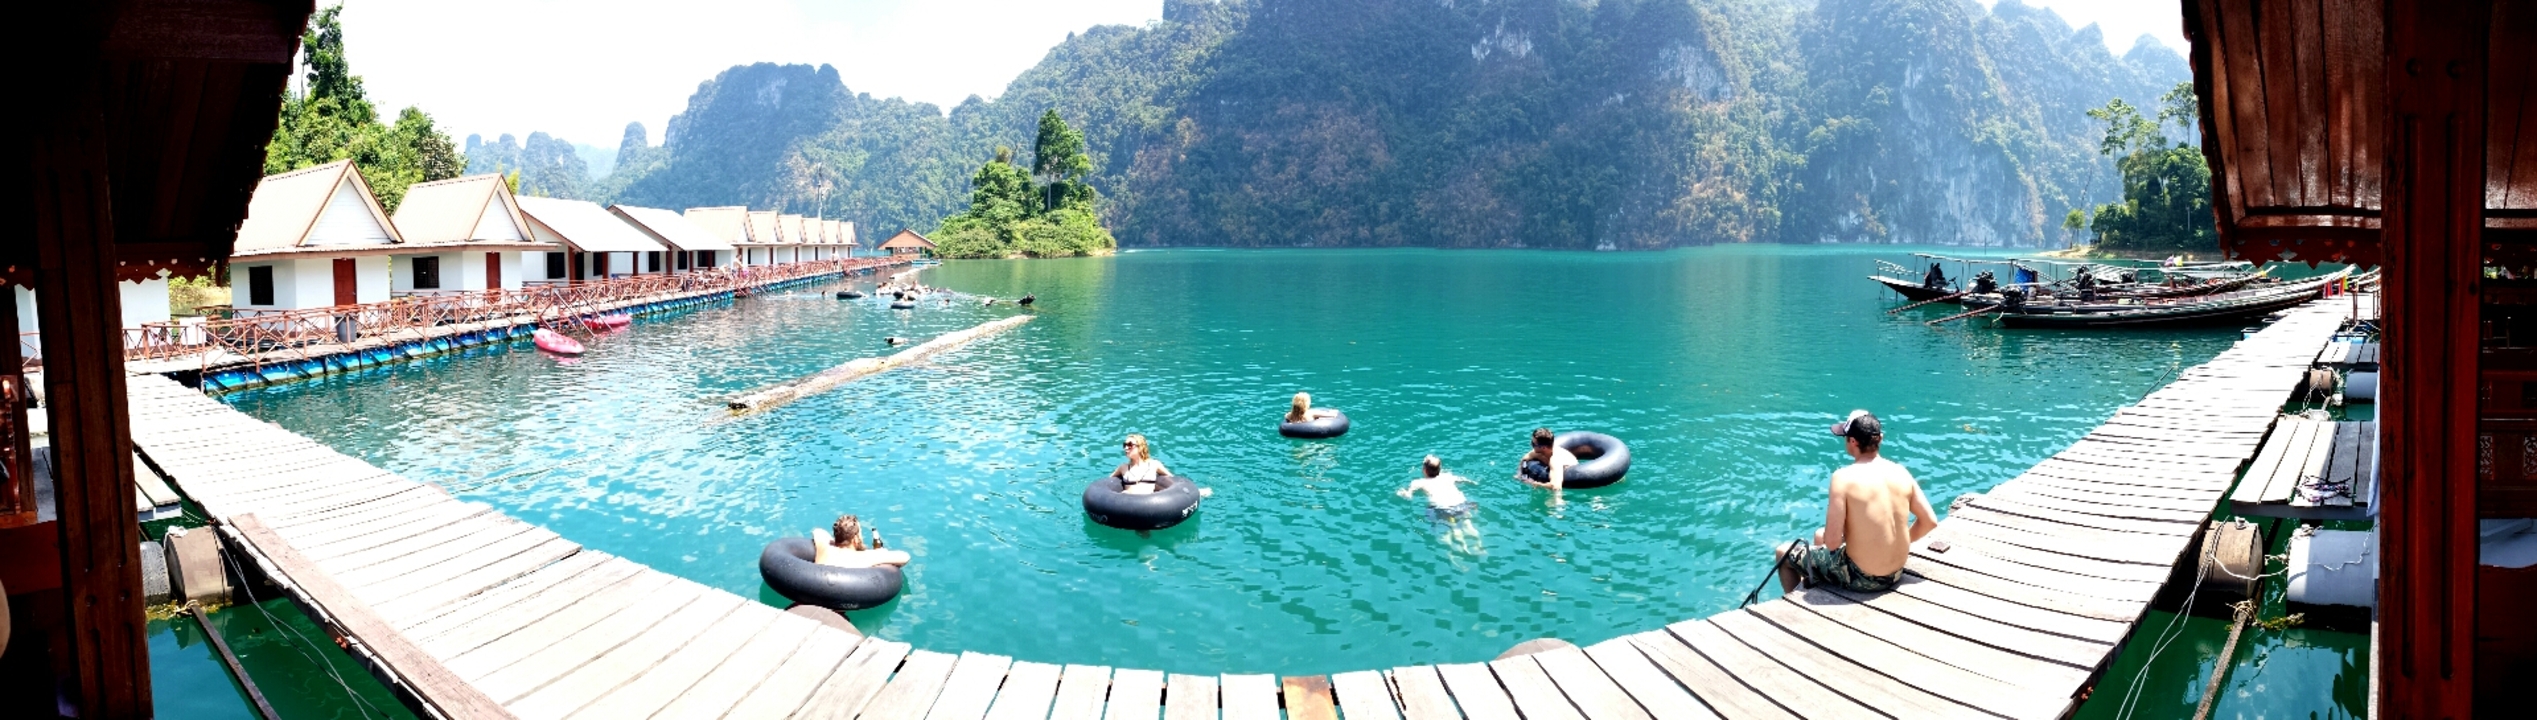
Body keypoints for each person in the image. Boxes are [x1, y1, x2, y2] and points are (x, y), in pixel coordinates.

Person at [1776, 410, 1940, 594]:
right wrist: (1893, 544)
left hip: (1863, 577)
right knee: (1819, 535)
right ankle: (1816, 585)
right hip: (1895, 572)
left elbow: (1832, 543)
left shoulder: (1843, 478)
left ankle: (1795, 605)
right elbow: (1930, 521)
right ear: (1880, 438)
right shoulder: (1900, 471)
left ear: (1853, 441)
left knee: (1783, 553)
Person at [1400, 455, 1481, 550]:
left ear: (1424, 470)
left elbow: (1409, 496)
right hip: (1461, 504)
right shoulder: (1448, 476)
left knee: (1454, 528)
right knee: (1468, 524)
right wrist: (1472, 482)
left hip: (1445, 508)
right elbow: (1463, 480)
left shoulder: (1418, 482)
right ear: (1440, 469)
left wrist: (1403, 493)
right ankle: (1479, 545)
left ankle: (1461, 548)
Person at [814, 514, 910, 569]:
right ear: (855, 539)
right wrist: (880, 553)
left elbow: (817, 531)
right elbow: (905, 557)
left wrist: (835, 541)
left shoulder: (824, 547)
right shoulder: (864, 557)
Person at [1514, 427, 1577, 507]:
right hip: (1553, 470)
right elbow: (1524, 459)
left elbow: (1556, 486)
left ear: (1543, 447)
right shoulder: (1539, 452)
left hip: (1572, 479)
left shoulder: (1555, 460)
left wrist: (1535, 483)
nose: (1531, 445)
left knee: (1555, 501)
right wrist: (1520, 474)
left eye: (1533, 444)